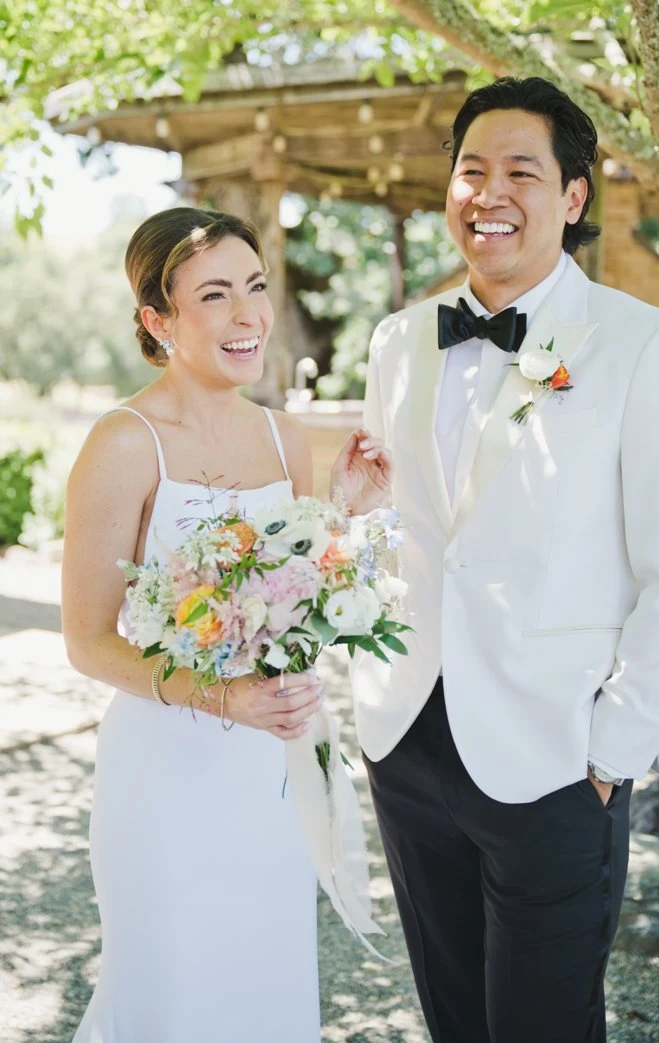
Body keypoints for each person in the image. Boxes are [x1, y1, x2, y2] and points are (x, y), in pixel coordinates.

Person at [350, 76, 659, 1041]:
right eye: (471, 170)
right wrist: (365, 677)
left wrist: (612, 751)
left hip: (556, 756)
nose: (488, 193)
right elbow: (389, 523)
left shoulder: (649, 347)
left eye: (520, 172)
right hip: (408, 736)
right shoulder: (396, 341)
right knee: (454, 1019)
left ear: (573, 197)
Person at [62, 206, 391, 1042]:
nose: (248, 315)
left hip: (268, 772)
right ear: (158, 321)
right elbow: (88, 639)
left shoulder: (285, 438)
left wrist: (341, 513)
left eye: (255, 286)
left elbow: (280, 589)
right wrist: (223, 697)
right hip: (165, 774)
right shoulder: (124, 443)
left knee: (263, 983)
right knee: (172, 989)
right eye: (215, 294)